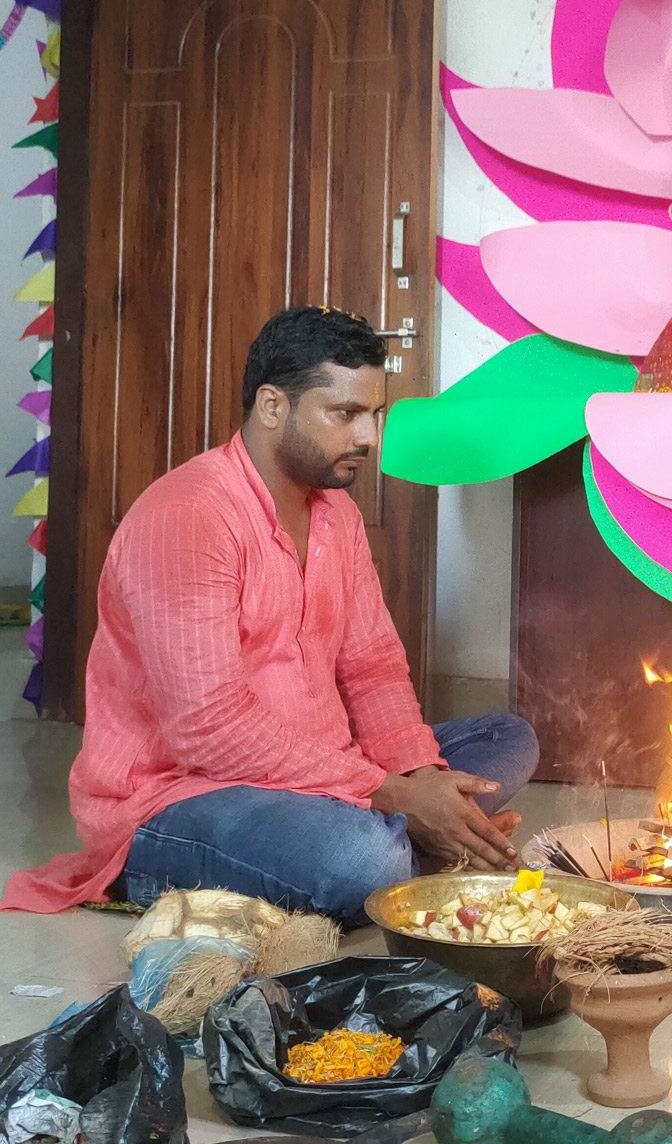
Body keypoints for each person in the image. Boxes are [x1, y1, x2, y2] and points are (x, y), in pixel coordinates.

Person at [2, 307, 542, 925]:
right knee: (365, 859)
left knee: (507, 739)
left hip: (325, 770)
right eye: (345, 414)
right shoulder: (189, 516)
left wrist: (423, 780)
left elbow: (373, 668)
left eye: (375, 414)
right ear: (271, 407)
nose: (369, 437)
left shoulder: (336, 516)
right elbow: (209, 730)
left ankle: (418, 833)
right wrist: (393, 794)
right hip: (183, 795)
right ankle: (402, 843)